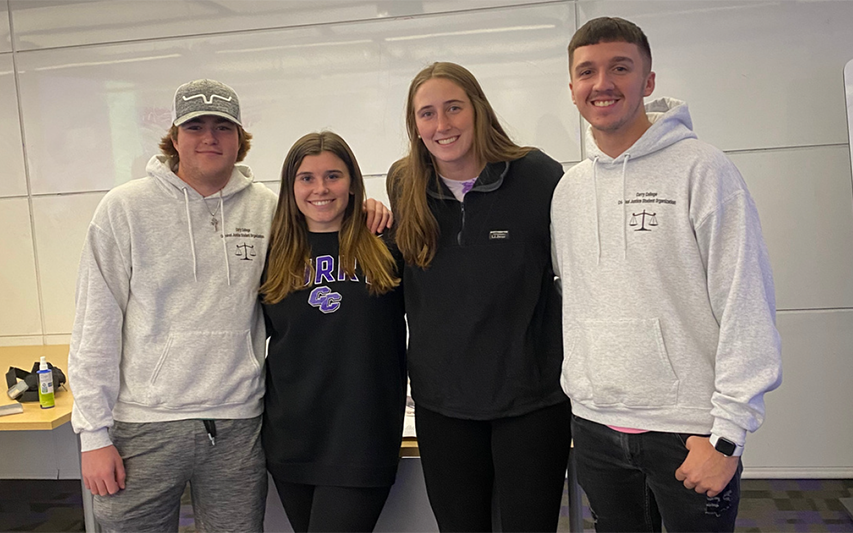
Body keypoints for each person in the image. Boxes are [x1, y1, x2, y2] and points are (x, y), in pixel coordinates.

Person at [67, 80, 391, 532]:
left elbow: (325, 224)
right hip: (144, 426)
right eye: (195, 126)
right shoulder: (124, 209)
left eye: (223, 127)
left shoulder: (269, 211)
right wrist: (93, 435)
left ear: (240, 139)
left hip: (239, 426)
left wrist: (368, 209)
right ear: (174, 136)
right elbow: (94, 325)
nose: (209, 138)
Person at [551, 17, 783, 532]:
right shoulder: (568, 191)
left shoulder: (704, 169)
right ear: (572, 89)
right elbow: (578, 299)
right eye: (586, 71)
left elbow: (745, 302)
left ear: (648, 81)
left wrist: (727, 436)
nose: (602, 83)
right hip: (595, 428)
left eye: (620, 67)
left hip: (689, 434)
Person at [386, 62, 571, 532]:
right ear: (415, 126)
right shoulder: (404, 183)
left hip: (529, 399)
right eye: (427, 114)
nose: (442, 124)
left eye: (453, 108)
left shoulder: (538, 175)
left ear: (478, 109)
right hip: (442, 402)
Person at [261, 131, 406, 532]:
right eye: (306, 178)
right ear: (290, 187)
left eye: (333, 176)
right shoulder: (272, 250)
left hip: (362, 435)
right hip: (291, 437)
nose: (320, 189)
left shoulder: (386, 243)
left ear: (353, 182)